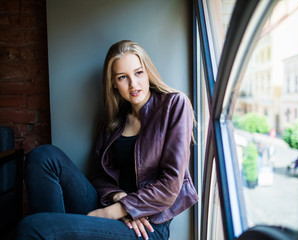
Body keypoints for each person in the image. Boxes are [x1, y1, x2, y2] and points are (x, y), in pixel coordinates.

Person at [16, 40, 199, 240]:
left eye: (138, 73)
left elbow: (170, 185)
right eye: (122, 77)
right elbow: (100, 177)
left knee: (32, 227)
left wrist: (117, 211)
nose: (133, 84)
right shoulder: (114, 121)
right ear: (113, 82)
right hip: (111, 204)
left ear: (148, 71)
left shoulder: (174, 105)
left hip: (147, 226)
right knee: (43, 156)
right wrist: (119, 198)